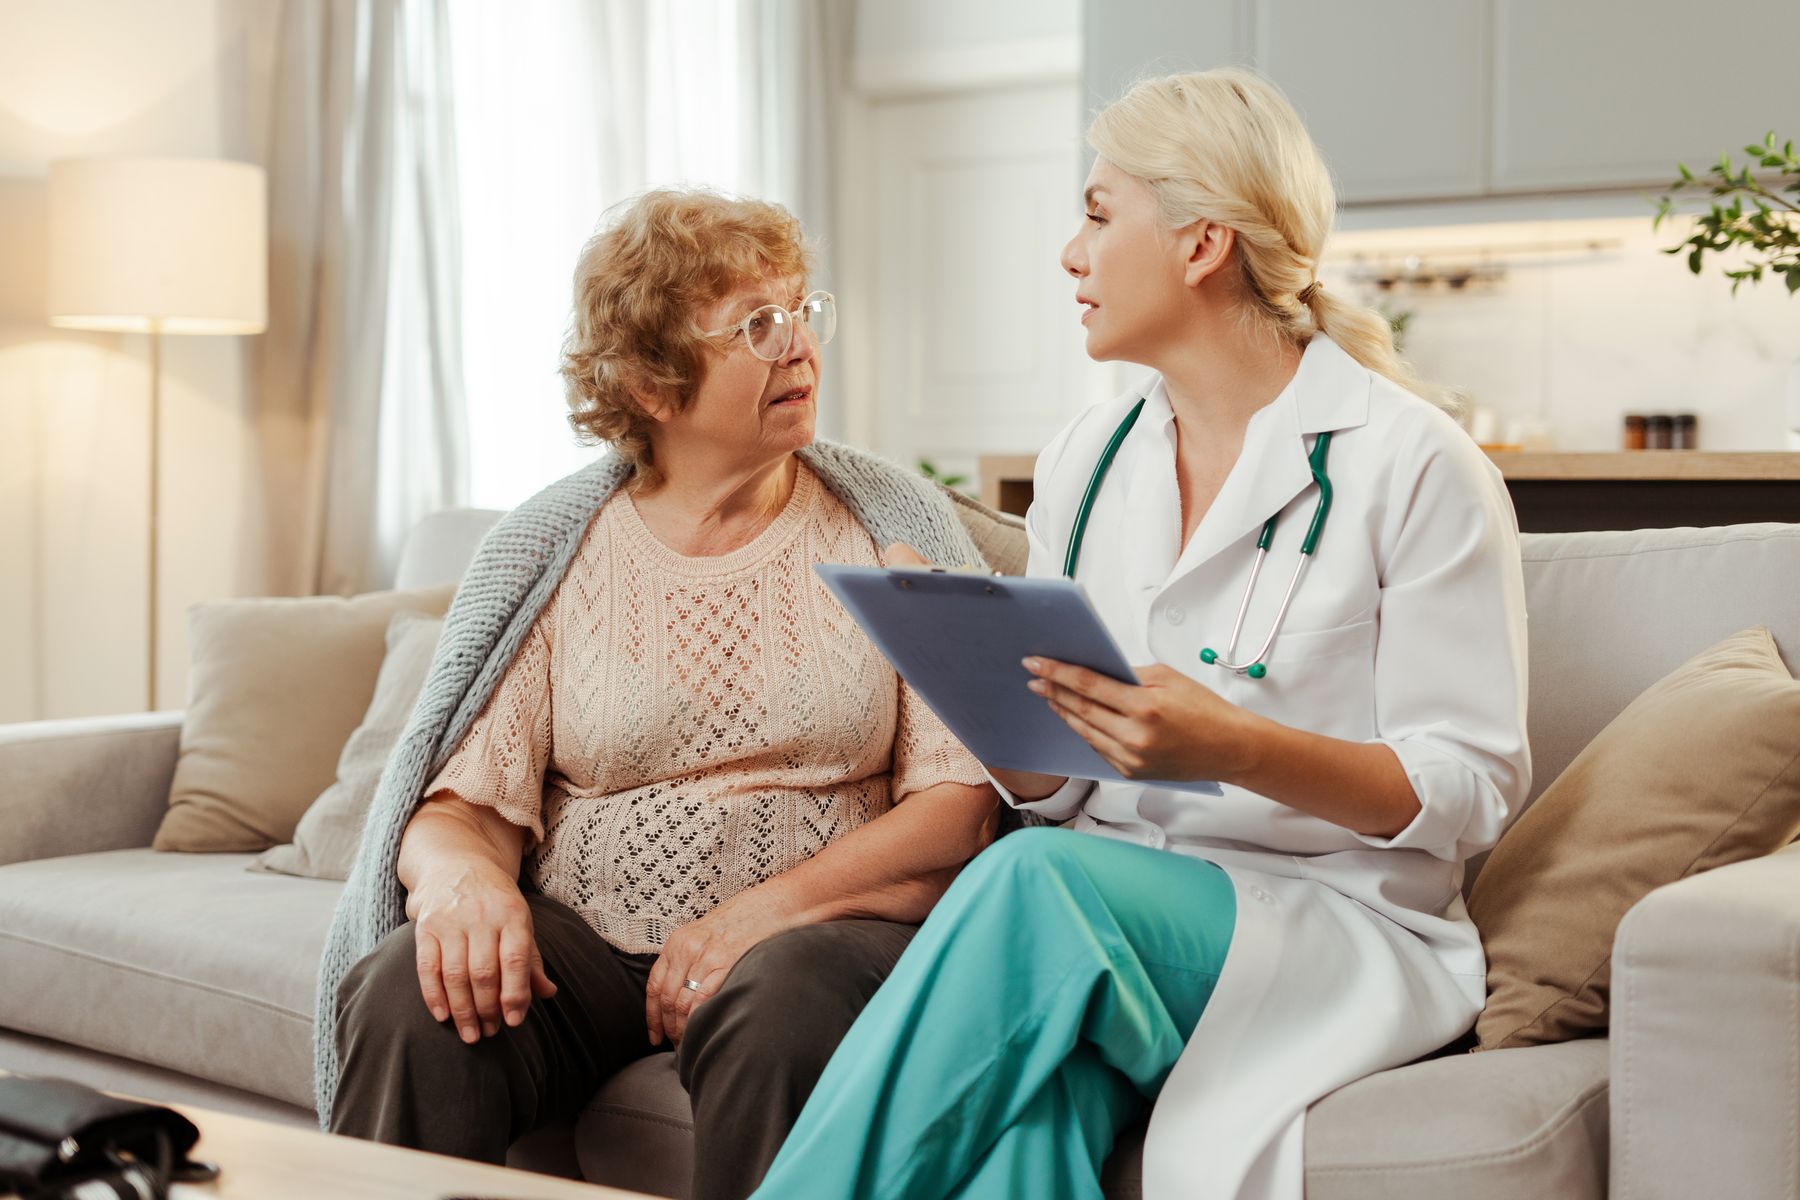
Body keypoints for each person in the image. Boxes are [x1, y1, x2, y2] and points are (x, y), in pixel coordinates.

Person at [753, 67, 1530, 1200]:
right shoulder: (1089, 454)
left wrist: (1233, 746)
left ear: (1202, 243)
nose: (1071, 253)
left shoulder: (1415, 466)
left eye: (1098, 214)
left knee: (1033, 884)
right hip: (1120, 904)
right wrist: (981, 692)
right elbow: (1063, 788)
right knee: (1027, 1129)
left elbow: (1469, 789)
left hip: (1337, 923)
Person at [316, 189, 1001, 1200]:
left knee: (784, 1002)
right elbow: (457, 804)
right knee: (410, 995)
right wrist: (464, 885)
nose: (800, 348)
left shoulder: (886, 526)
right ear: (648, 379)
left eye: (805, 313)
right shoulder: (555, 553)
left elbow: (963, 801)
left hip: (817, 933)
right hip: (585, 945)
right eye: (758, 326)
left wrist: (759, 915)